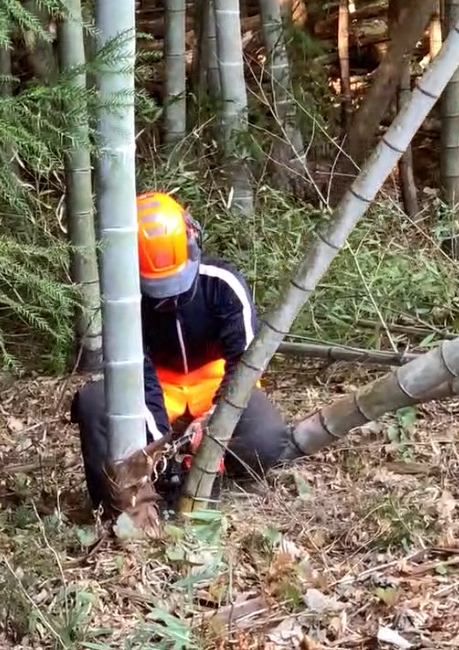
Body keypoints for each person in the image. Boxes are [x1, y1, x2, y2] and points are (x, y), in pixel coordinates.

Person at [70, 191, 293, 514]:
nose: (169, 298)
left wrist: (216, 417)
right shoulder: (125, 303)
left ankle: (216, 466)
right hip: (156, 388)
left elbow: (244, 362)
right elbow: (138, 374)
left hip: (215, 383)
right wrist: (158, 445)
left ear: (193, 242)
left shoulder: (222, 283)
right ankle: (122, 500)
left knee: (267, 439)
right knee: (93, 402)